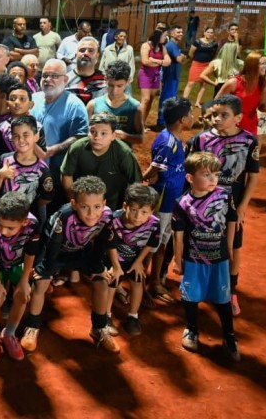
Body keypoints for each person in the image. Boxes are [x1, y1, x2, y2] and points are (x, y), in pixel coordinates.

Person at [20, 176, 118, 353]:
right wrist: (46, 270)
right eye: (84, 207)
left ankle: (99, 328)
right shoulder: (64, 216)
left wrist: (98, 266)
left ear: (104, 204)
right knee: (41, 282)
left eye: (97, 207)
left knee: (102, 282)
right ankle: (32, 327)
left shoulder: (107, 215)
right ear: (74, 204)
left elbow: (102, 241)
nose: (91, 213)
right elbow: (52, 244)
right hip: (54, 252)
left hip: (81, 251)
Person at [187, 94, 259, 318]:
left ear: (238, 118)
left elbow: (252, 176)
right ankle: (201, 287)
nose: (216, 119)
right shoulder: (200, 139)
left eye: (223, 115)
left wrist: (242, 207)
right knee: (200, 244)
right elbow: (190, 173)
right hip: (202, 205)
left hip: (232, 207)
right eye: (214, 114)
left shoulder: (249, 141)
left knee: (233, 248)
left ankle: (231, 291)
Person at [172, 152, 240, 361]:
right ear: (190, 178)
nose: (213, 179)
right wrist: (177, 261)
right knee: (191, 296)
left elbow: (232, 220)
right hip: (194, 259)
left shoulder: (224, 196)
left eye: (215, 175)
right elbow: (178, 235)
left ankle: (229, 336)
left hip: (219, 258)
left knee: (223, 298)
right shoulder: (183, 202)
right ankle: (192, 329)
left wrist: (229, 248)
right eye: (206, 175)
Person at [142, 97, 194, 304]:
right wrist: (145, 178)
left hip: (170, 200)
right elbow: (153, 168)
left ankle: (154, 282)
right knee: (152, 243)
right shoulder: (168, 142)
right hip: (163, 200)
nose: (193, 117)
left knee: (161, 242)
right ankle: (142, 286)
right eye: (190, 114)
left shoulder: (173, 139)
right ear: (182, 119)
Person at [0, 192, 40, 361]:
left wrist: (24, 281)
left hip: (17, 262)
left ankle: (9, 334)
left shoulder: (33, 225)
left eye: (10, 228)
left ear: (24, 222)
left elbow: (30, 252)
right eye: (1, 225)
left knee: (22, 296)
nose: (3, 231)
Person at [30, 58, 90, 214]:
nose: (48, 79)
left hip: (57, 175)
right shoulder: (33, 99)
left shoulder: (74, 105)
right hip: (30, 174)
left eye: (54, 76)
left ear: (65, 79)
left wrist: (52, 150)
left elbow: (81, 137)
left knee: (54, 215)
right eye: (45, 75)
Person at [106, 184, 160, 336]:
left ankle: (133, 316)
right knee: (112, 281)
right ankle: (106, 316)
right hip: (113, 258)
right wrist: (116, 267)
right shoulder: (113, 220)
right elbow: (110, 245)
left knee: (138, 280)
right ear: (125, 206)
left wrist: (138, 262)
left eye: (144, 212)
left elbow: (151, 244)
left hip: (135, 258)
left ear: (152, 211)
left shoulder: (154, 223)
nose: (138, 216)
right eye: (134, 210)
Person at [61, 112, 142, 211]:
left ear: (113, 135)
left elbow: (136, 183)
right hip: (83, 205)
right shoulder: (77, 148)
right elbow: (66, 174)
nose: (97, 137)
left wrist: (124, 210)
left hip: (113, 206)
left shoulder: (124, 153)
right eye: (93, 132)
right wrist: (74, 203)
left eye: (103, 133)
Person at [0, 115, 54, 223]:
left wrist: (31, 205)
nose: (21, 140)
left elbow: (47, 198)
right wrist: (0, 175)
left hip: (27, 220)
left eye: (26, 135)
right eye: (16, 136)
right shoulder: (5, 159)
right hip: (3, 217)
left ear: (36, 137)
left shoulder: (42, 169)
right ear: (11, 138)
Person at [87, 60, 143, 147]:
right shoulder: (93, 105)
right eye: (111, 85)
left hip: (122, 154)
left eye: (119, 86)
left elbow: (141, 138)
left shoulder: (135, 107)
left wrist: (124, 136)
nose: (114, 91)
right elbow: (84, 132)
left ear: (128, 82)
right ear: (105, 79)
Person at [216, 51, 266, 135]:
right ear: (252, 65)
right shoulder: (234, 83)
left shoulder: (265, 83)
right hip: (231, 125)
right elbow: (216, 102)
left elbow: (261, 105)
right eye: (262, 63)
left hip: (250, 124)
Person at [156, 25, 187, 129]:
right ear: (171, 33)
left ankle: (165, 120)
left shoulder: (174, 45)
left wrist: (182, 57)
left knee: (170, 99)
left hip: (173, 76)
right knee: (167, 99)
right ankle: (161, 121)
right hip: (170, 76)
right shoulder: (171, 45)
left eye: (181, 32)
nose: (181, 34)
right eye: (178, 32)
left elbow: (182, 60)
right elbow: (179, 59)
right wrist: (183, 55)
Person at [138, 29, 171, 127]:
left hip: (155, 76)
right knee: (145, 99)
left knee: (151, 100)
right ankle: (137, 124)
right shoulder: (146, 45)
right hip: (145, 74)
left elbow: (168, 62)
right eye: (164, 35)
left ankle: (143, 123)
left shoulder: (162, 47)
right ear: (158, 36)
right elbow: (145, 61)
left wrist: (155, 60)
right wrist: (161, 62)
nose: (166, 37)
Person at [65, 36, 106, 106]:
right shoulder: (64, 80)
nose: (86, 53)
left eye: (91, 51)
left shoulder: (105, 80)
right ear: (76, 55)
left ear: (97, 55)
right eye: (82, 50)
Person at [184, 27, 218, 109]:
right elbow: (191, 53)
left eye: (211, 32)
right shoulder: (197, 42)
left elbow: (214, 54)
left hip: (207, 65)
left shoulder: (214, 44)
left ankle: (197, 102)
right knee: (191, 83)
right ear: (204, 33)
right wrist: (195, 59)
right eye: (208, 32)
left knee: (203, 84)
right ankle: (184, 101)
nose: (210, 34)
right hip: (196, 64)